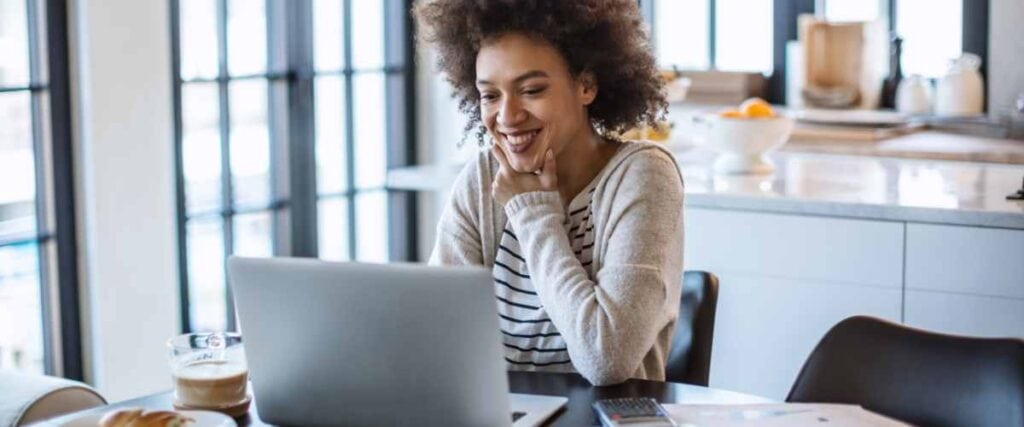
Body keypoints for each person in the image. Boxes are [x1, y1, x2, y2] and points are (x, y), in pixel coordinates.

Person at [415, 0, 685, 386]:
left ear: (586, 85)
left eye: (531, 90)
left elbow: (606, 358)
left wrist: (532, 213)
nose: (507, 116)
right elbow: (434, 331)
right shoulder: (483, 177)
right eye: (490, 95)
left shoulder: (643, 175)